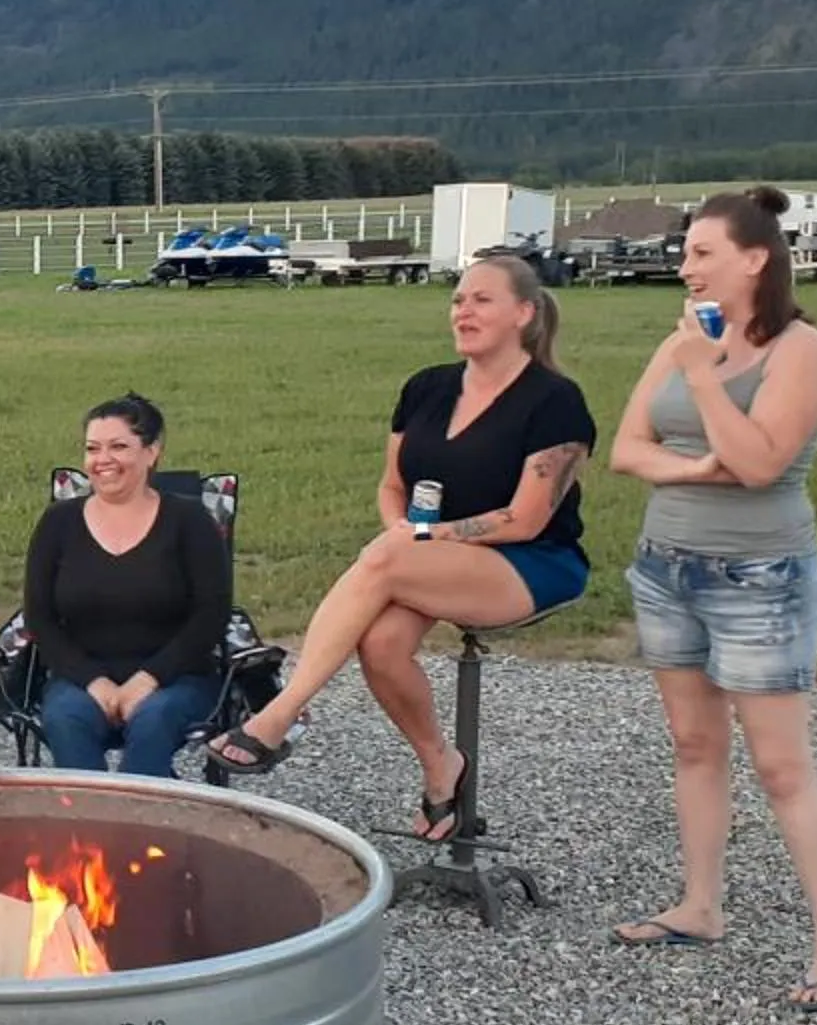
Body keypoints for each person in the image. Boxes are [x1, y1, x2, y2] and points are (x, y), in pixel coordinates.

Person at [209, 256, 597, 838]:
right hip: (426, 555)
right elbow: (394, 486)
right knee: (383, 643)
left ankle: (281, 713)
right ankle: (442, 767)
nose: (463, 311)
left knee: (385, 558)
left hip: (530, 560)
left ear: (524, 312)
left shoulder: (555, 400)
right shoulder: (426, 388)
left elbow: (523, 519)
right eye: (457, 300)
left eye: (481, 300)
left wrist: (414, 538)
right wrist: (403, 529)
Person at [607, 187, 817, 1013]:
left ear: (756, 259)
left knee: (783, 766)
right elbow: (624, 449)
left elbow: (758, 464)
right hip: (668, 565)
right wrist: (688, 469)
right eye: (685, 254)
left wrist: (703, 379)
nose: (685, 268)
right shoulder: (683, 338)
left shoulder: (802, 350)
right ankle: (700, 904)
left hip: (761, 579)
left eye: (702, 254)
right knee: (693, 743)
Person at [18, 395, 231, 779]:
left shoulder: (190, 519)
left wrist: (147, 680)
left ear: (151, 452)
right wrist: (93, 681)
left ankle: (147, 829)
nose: (103, 460)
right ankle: (85, 832)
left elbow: (211, 616)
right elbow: (40, 617)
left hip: (177, 677)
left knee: (154, 720)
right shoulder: (59, 522)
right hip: (81, 677)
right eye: (92, 448)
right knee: (67, 717)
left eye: (118, 446)